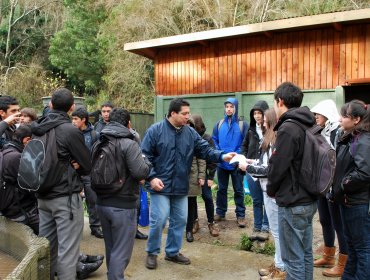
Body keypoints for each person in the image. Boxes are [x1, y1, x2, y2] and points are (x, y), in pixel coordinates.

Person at [141, 98, 236, 270]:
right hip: (159, 185)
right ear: (172, 113)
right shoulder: (155, 131)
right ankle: (152, 252)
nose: (188, 116)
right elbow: (144, 157)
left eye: (188, 113)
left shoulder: (190, 133)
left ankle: (172, 252)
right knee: (160, 219)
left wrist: (222, 156)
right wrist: (151, 178)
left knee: (180, 220)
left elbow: (205, 150)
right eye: (184, 113)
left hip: (180, 186)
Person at [1, 125, 103, 280]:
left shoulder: (9, 151)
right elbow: (86, 165)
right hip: (28, 208)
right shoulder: (16, 157)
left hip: (37, 203)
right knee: (66, 247)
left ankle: (72, 264)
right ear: (26, 140)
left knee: (48, 244)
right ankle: (77, 267)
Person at [34, 88, 92, 280]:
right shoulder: (70, 130)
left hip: (42, 196)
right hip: (65, 199)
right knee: (67, 252)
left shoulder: (38, 128)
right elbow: (87, 165)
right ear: (72, 107)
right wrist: (76, 165)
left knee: (46, 248)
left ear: (50, 105)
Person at [267, 82, 317, 280]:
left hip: (293, 201)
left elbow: (278, 167)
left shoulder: (288, 128)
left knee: (292, 259)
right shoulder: (309, 123)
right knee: (305, 253)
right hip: (308, 198)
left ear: (280, 101)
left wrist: (271, 189)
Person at [95, 107, 151, 280]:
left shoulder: (99, 142)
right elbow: (141, 172)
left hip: (101, 202)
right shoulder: (129, 143)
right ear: (128, 124)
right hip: (123, 205)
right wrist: (146, 161)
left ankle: (112, 275)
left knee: (111, 247)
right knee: (122, 251)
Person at [239, 108, 286, 280]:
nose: (262, 122)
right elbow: (264, 163)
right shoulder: (269, 139)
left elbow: (269, 169)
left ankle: (281, 269)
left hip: (273, 192)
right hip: (268, 190)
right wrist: (252, 161)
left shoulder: (276, 139)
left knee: (278, 232)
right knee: (276, 231)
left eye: (266, 120)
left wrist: (248, 167)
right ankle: (278, 264)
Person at [331, 100, 370, 280]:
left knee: (362, 248)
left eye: (344, 116)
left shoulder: (363, 141)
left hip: (356, 202)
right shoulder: (350, 137)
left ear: (356, 119)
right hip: (346, 200)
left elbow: (364, 173)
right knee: (352, 246)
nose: (340, 119)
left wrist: (342, 185)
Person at [311, 100, 348, 277]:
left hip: (333, 185)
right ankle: (328, 255)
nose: (315, 116)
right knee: (325, 220)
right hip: (321, 184)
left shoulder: (337, 132)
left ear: (326, 114)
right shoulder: (320, 131)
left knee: (338, 224)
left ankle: (343, 263)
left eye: (318, 113)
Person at [212, 97, 248, 228]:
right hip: (222, 163)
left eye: (231, 106)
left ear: (236, 108)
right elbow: (214, 139)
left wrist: (237, 155)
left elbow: (246, 142)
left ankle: (240, 215)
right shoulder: (219, 124)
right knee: (221, 189)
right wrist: (220, 153)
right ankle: (220, 212)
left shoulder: (242, 125)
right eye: (227, 106)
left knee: (238, 190)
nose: (229, 109)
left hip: (236, 163)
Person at [72, 108, 104, 239]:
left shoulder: (94, 134)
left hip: (90, 173)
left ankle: (95, 227)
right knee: (74, 202)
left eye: (75, 119)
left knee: (93, 200)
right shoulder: (71, 133)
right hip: (74, 174)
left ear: (83, 120)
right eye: (72, 119)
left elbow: (98, 154)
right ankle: (74, 229)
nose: (73, 122)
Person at [241, 100, 269, 240]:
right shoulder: (251, 130)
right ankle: (257, 226)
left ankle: (265, 226)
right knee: (256, 200)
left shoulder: (271, 130)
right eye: (255, 113)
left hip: (265, 170)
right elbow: (244, 146)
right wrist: (244, 158)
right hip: (251, 169)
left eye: (260, 113)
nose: (257, 116)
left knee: (267, 199)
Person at [192, 114, 219, 237]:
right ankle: (195, 222)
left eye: (193, 124)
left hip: (205, 174)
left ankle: (211, 223)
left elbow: (213, 158)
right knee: (192, 199)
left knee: (207, 198)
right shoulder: (189, 137)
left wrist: (210, 177)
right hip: (192, 175)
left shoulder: (207, 138)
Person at [185, 117, 206, 242]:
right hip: (178, 177)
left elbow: (201, 159)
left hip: (192, 176)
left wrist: (201, 176)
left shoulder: (195, 138)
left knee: (191, 204)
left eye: (189, 124)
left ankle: (189, 230)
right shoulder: (174, 136)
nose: (186, 126)